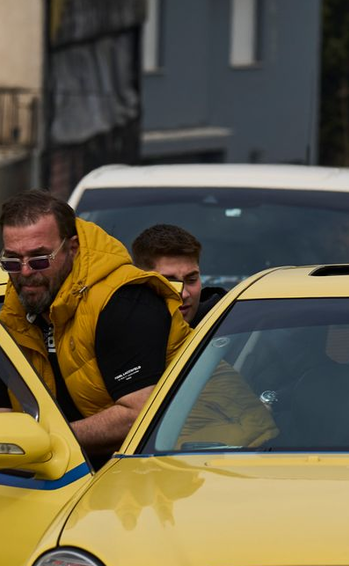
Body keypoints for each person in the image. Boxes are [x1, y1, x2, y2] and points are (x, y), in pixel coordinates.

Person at [0, 191, 191, 464]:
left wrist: (50, 440)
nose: (26, 272)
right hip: (93, 469)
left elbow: (138, 415)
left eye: (40, 259)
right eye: (12, 261)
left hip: (204, 454)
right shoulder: (11, 312)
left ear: (72, 248)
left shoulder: (123, 300)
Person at [131, 223, 226, 326]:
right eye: (170, 283)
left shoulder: (230, 325)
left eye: (192, 280)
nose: (184, 294)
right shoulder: (118, 331)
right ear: (142, 283)